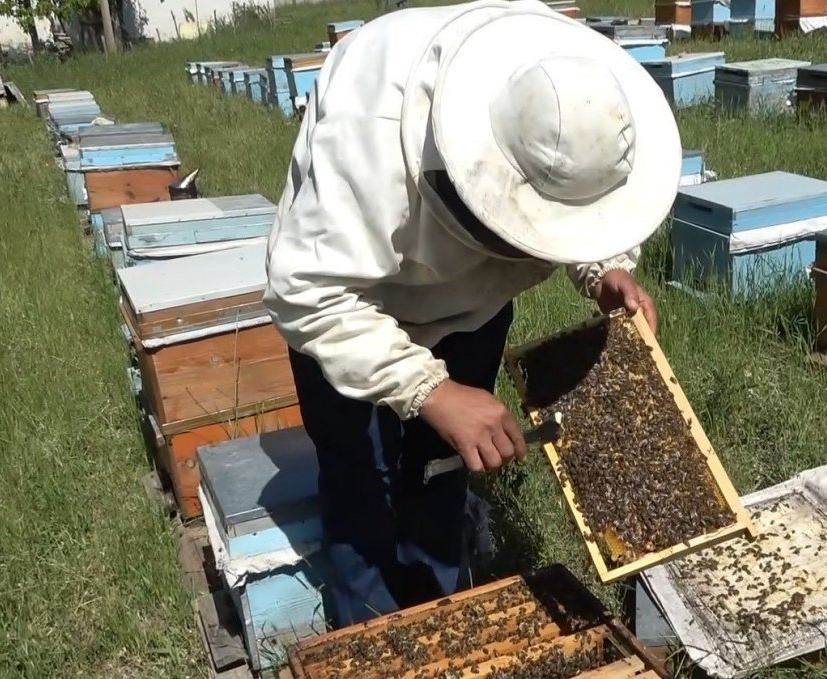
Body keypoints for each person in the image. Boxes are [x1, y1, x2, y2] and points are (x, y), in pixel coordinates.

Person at [263, 0, 682, 629]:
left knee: (443, 470)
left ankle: (440, 617)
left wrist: (605, 266)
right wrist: (430, 388)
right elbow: (309, 291)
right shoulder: (369, 124)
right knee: (360, 485)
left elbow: (577, 199)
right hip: (354, 303)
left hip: (474, 310)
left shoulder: (567, 79)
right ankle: (370, 632)